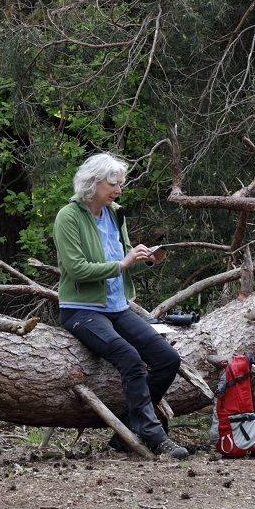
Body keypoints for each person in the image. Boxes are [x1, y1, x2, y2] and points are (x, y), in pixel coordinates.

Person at [52, 152, 189, 460]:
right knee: (129, 357)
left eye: (121, 183)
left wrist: (147, 260)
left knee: (167, 358)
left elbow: (124, 263)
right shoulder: (68, 217)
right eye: (113, 183)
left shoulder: (115, 213)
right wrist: (122, 262)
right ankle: (153, 434)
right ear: (92, 182)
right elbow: (77, 270)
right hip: (81, 311)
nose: (118, 189)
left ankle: (129, 429)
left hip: (117, 308)